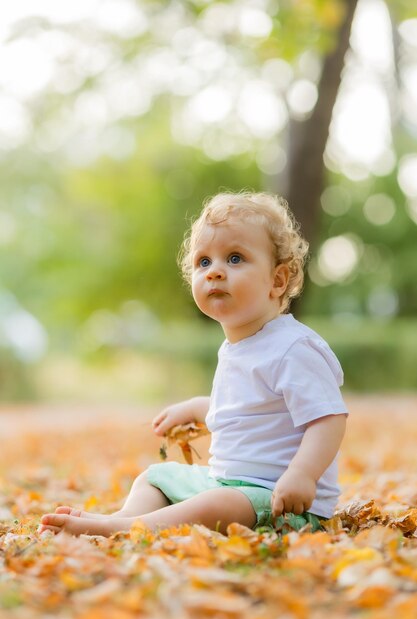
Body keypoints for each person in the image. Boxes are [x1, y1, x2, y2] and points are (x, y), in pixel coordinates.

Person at [39, 191, 348, 537]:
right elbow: (251, 411)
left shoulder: (293, 347)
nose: (215, 271)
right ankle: (124, 519)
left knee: (218, 505)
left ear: (277, 280)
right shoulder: (238, 347)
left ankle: (128, 528)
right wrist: (198, 407)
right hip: (227, 482)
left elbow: (328, 418)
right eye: (204, 262)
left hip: (280, 497)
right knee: (156, 477)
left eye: (234, 258)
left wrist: (302, 474)